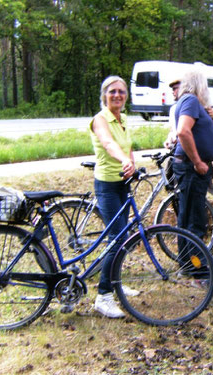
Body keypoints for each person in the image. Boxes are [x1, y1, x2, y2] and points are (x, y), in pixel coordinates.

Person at [89, 75, 138, 318]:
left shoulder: (124, 118)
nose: (117, 95)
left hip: (123, 184)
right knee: (117, 239)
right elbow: (109, 144)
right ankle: (103, 296)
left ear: (126, 96)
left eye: (121, 91)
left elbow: (127, 144)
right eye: (112, 92)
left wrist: (132, 164)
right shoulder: (100, 119)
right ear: (104, 96)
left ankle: (115, 281)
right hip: (107, 185)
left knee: (124, 237)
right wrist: (124, 160)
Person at [172, 69, 213, 285]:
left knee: (186, 216)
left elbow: (196, 131)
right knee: (195, 220)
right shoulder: (190, 100)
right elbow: (183, 131)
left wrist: (210, 120)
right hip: (192, 169)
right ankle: (199, 272)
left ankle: (186, 264)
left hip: (190, 168)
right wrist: (198, 162)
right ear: (200, 85)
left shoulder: (191, 103)